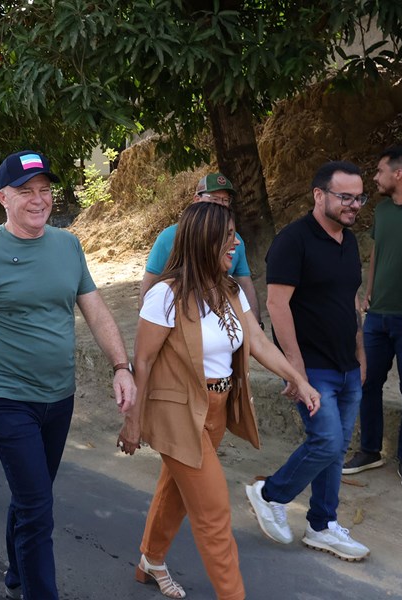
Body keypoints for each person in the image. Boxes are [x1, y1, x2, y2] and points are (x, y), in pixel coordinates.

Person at [0, 150, 136, 600]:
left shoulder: (68, 246)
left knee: (33, 495)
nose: (39, 199)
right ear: (3, 198)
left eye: (45, 190)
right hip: (6, 397)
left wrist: (121, 366)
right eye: (26, 191)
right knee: (37, 506)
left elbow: (95, 310)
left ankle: (17, 572)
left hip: (60, 396)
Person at [117, 201, 319, 600]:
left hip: (217, 409)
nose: (236, 242)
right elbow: (143, 360)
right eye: (228, 236)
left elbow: (257, 341)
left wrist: (299, 379)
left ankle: (150, 560)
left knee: (175, 491)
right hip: (179, 414)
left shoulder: (229, 291)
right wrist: (133, 422)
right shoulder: (165, 296)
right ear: (203, 240)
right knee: (213, 513)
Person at [246, 161, 369, 560]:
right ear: (319, 195)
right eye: (345, 197)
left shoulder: (349, 241)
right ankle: (269, 493)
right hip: (313, 366)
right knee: (327, 440)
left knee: (335, 448)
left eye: (359, 198)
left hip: (346, 365)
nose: (354, 205)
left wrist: (360, 353)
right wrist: (295, 371)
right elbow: (276, 305)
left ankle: (322, 525)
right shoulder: (293, 241)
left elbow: (351, 301)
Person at [344, 144, 402, 492]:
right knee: (367, 382)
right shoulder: (384, 210)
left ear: (398, 173)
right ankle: (370, 451)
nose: (375, 177)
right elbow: (377, 252)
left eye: (379, 171)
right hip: (377, 317)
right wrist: (369, 290)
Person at [138, 173, 261, 324]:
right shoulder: (168, 238)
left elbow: (245, 283)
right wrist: (146, 320)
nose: (221, 205)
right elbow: (149, 283)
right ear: (196, 200)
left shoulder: (236, 241)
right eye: (215, 199)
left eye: (225, 200)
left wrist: (256, 324)